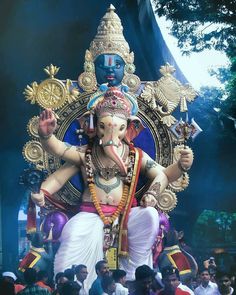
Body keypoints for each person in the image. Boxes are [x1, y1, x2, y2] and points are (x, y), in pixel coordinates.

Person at [31, 5, 194, 289]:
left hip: (128, 213)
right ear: (93, 126)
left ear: (129, 129)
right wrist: (46, 138)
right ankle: (74, 287)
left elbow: (162, 174)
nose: (110, 134)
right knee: (73, 237)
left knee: (150, 217)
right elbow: (59, 158)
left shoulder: (135, 155)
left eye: (117, 128)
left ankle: (133, 277)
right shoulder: (86, 154)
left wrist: (175, 171)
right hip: (89, 211)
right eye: (104, 127)